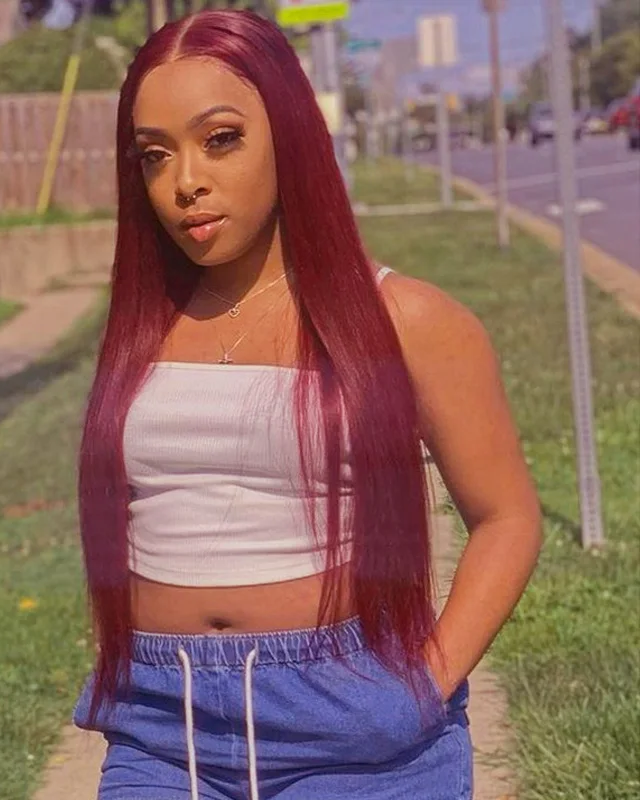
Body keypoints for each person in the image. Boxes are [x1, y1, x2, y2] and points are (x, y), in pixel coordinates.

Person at [74, 9, 542, 800]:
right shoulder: (138, 330)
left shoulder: (407, 321)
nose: (185, 181)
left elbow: (507, 518)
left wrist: (423, 684)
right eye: (155, 155)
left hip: (353, 726)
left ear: (289, 135)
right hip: (162, 726)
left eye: (220, 139)